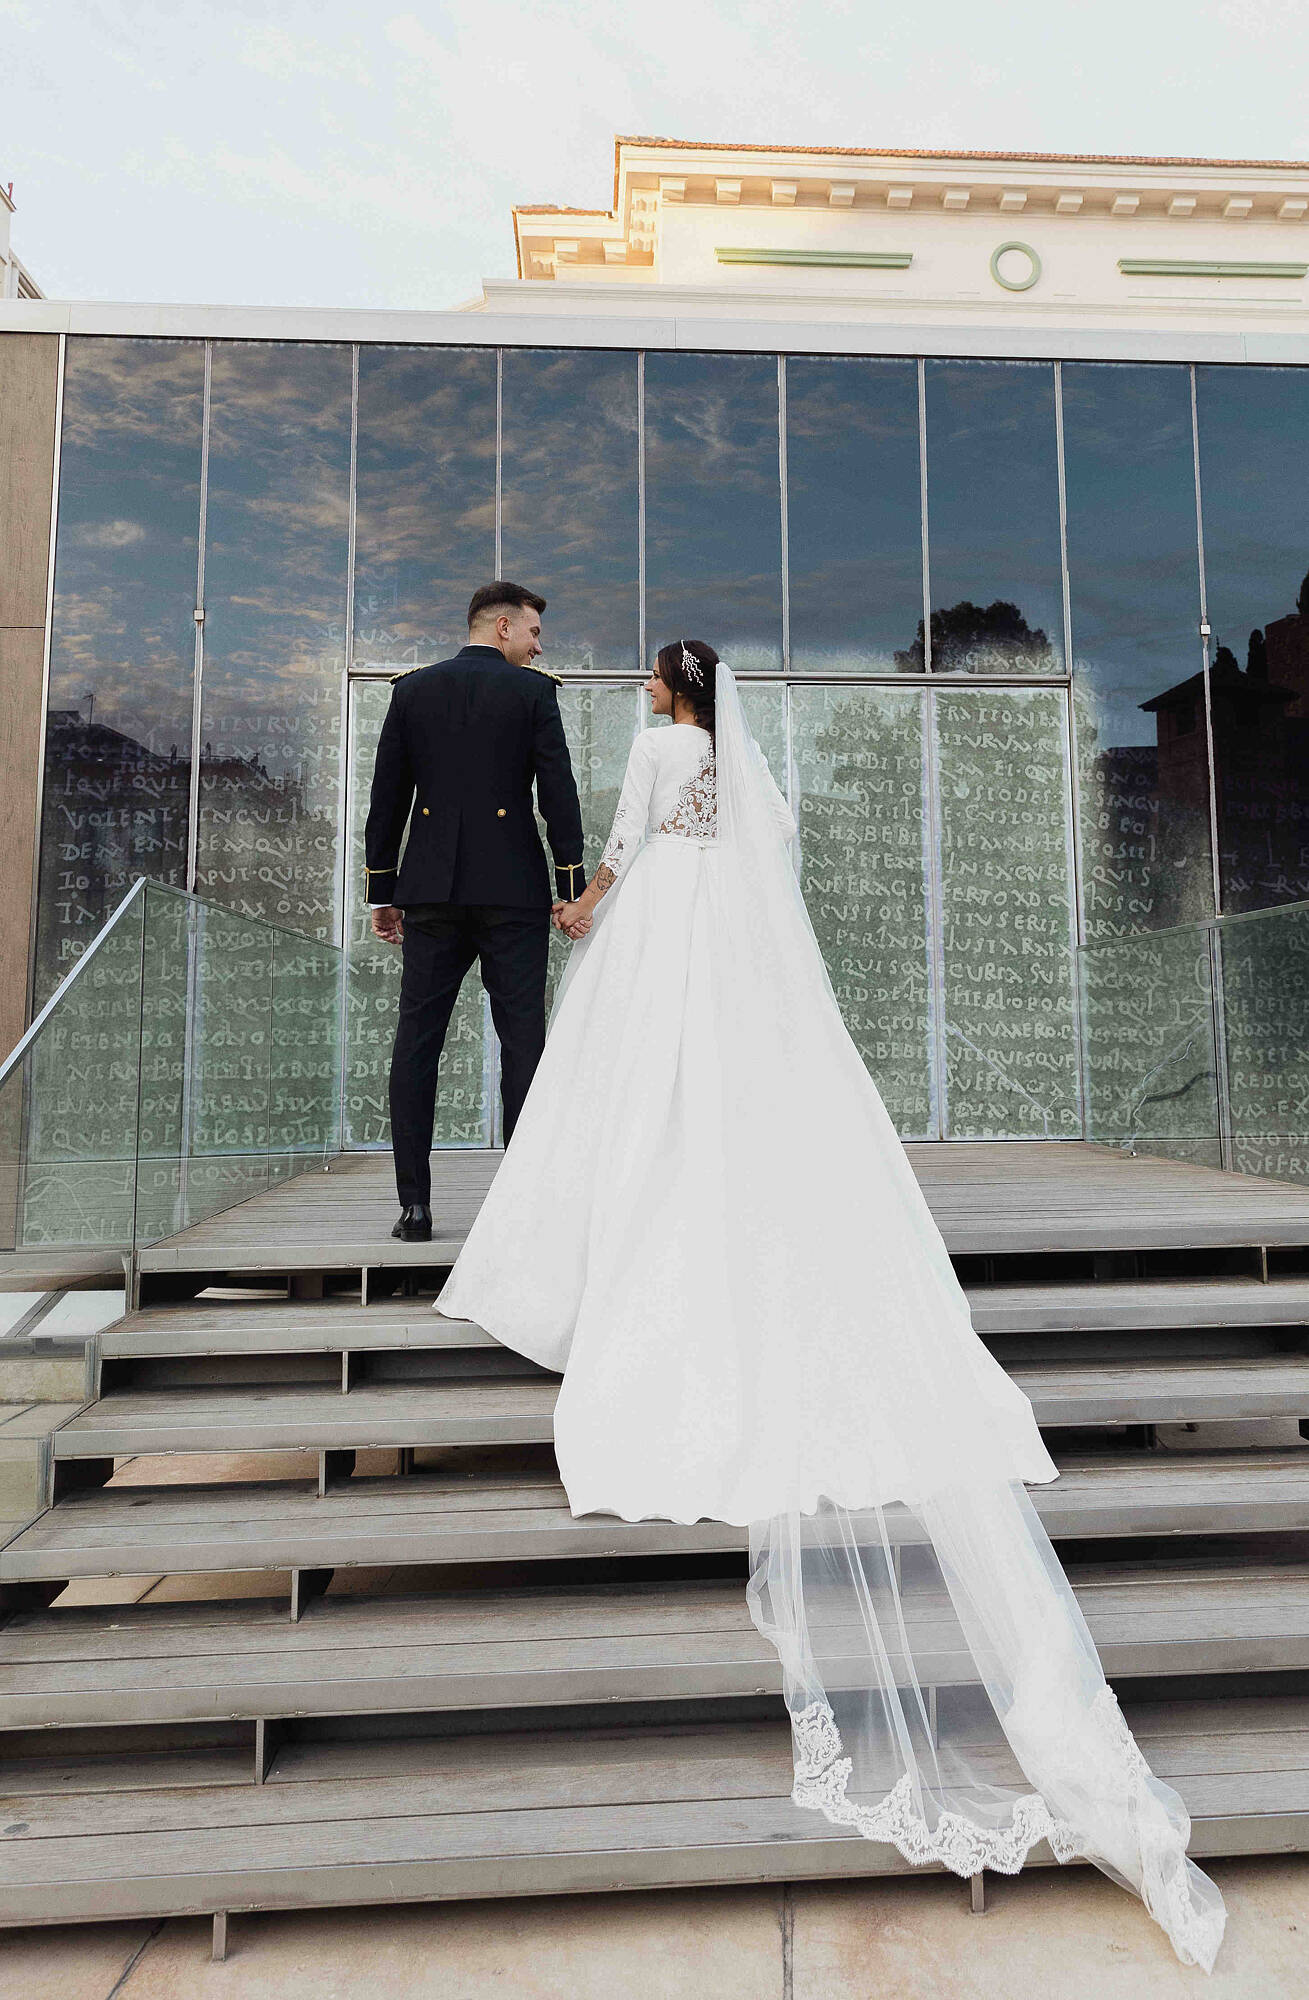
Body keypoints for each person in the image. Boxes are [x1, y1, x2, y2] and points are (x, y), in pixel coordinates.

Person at [436, 640, 1226, 1972]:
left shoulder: (653, 748)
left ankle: (597, 1252)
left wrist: (586, 908)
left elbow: (625, 842)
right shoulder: (737, 764)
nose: (641, 690)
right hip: (726, 943)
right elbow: (770, 832)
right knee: (724, 1095)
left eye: (650, 678)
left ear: (670, 692)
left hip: (655, 931)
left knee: (625, 1100)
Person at [365, 581, 586, 1242]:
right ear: (499, 627)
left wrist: (383, 890)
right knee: (522, 1042)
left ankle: (413, 1207)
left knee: (417, 1042)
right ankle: (522, 1209)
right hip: (513, 889)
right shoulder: (532, 693)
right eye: (532, 632)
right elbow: (558, 794)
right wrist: (567, 880)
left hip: (429, 889)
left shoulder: (411, 691)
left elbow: (387, 800)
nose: (538, 644)